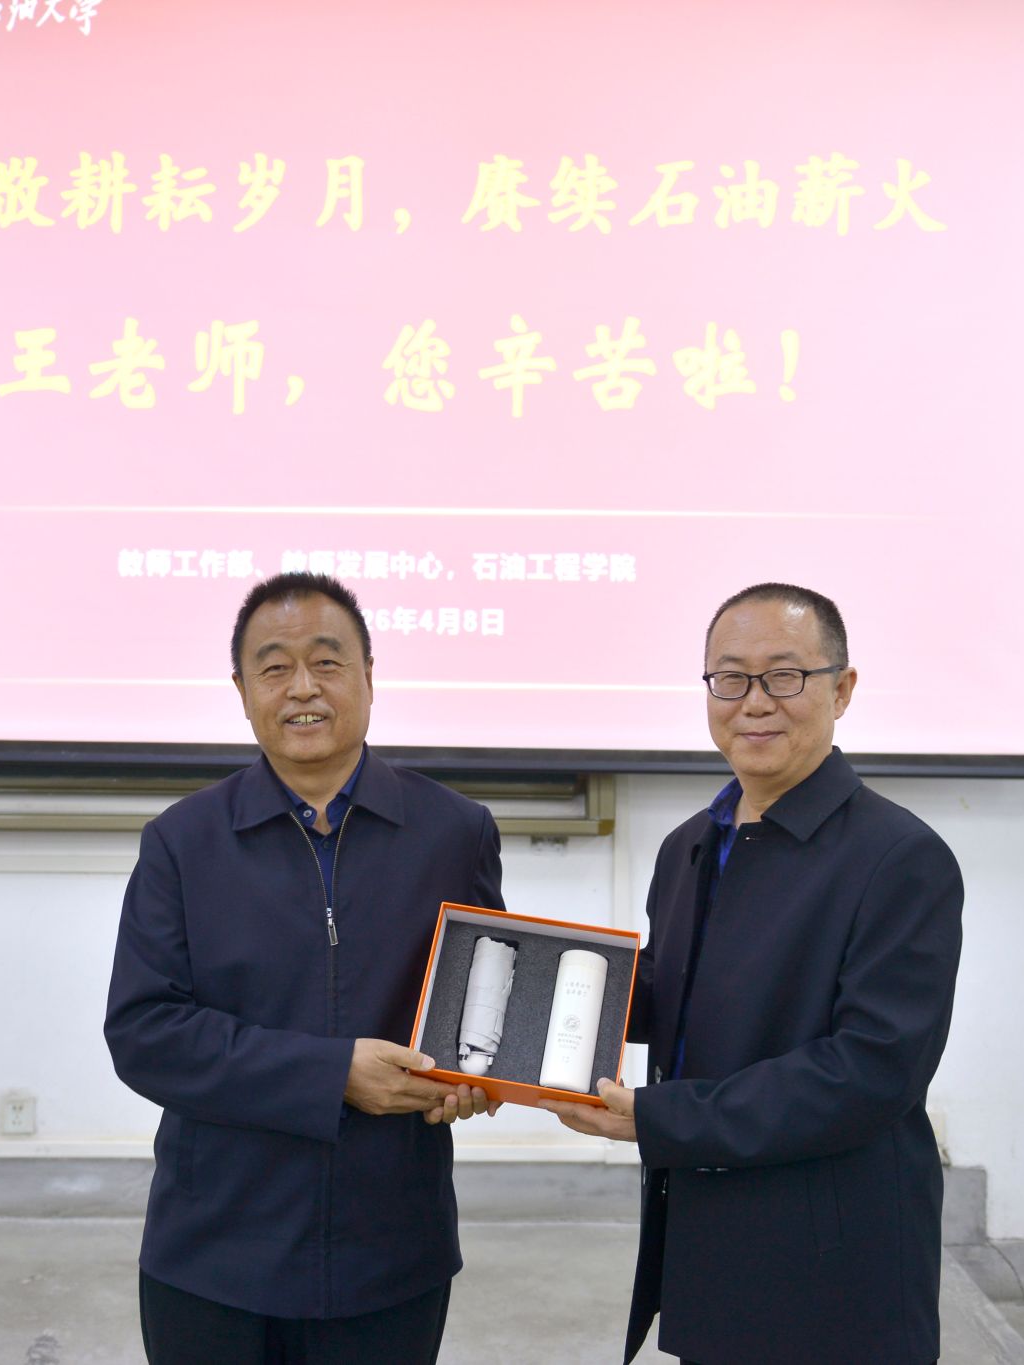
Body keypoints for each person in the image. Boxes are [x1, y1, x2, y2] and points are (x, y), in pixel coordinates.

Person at [542, 582, 963, 1365]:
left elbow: (871, 1070)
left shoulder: (901, 858)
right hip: (709, 1243)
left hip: (835, 1265)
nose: (754, 701)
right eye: (730, 677)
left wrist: (659, 1117)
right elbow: (680, 992)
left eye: (785, 675)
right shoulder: (690, 845)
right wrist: (544, 988)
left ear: (842, 689)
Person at [105, 572, 504, 1365]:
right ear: (242, 689)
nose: (302, 688)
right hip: (215, 1252)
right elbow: (146, 1033)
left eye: (327, 662)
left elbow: (481, 1000)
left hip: (391, 1251)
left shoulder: (454, 832)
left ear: (368, 676)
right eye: (275, 666)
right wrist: (332, 1074)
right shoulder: (182, 842)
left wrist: (477, 1078)